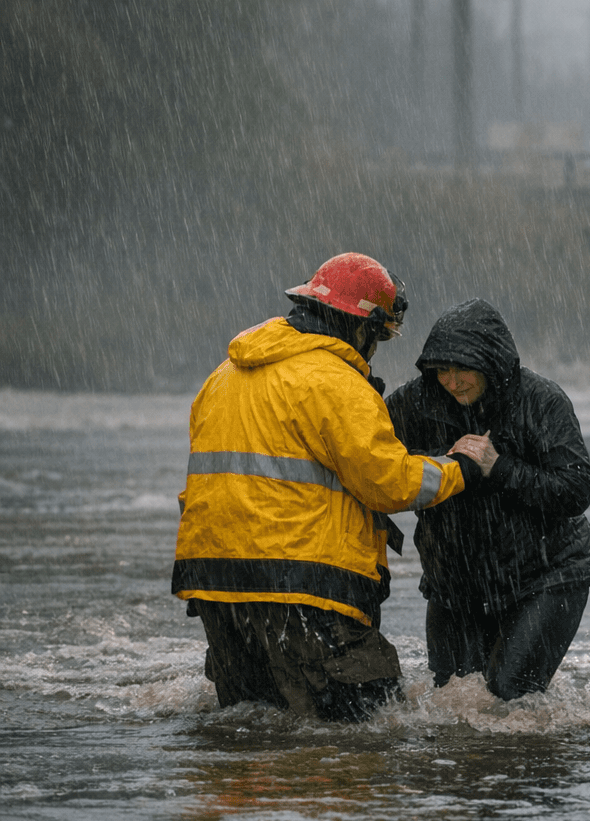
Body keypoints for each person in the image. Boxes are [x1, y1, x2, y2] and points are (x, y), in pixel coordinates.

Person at [172, 253, 497, 721]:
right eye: (378, 336)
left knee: (250, 729)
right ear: (362, 326)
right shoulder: (335, 381)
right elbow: (388, 483)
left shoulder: (221, 378)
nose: (374, 349)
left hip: (216, 586)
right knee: (361, 724)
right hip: (303, 586)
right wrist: (458, 468)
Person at [386, 298, 590, 701]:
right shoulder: (412, 404)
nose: (452, 381)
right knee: (454, 701)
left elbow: (576, 490)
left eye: (463, 368)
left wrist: (499, 467)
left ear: (492, 363)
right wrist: (438, 462)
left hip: (547, 576)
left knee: (507, 696)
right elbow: (371, 463)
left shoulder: (542, 401)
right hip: (455, 583)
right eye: (442, 370)